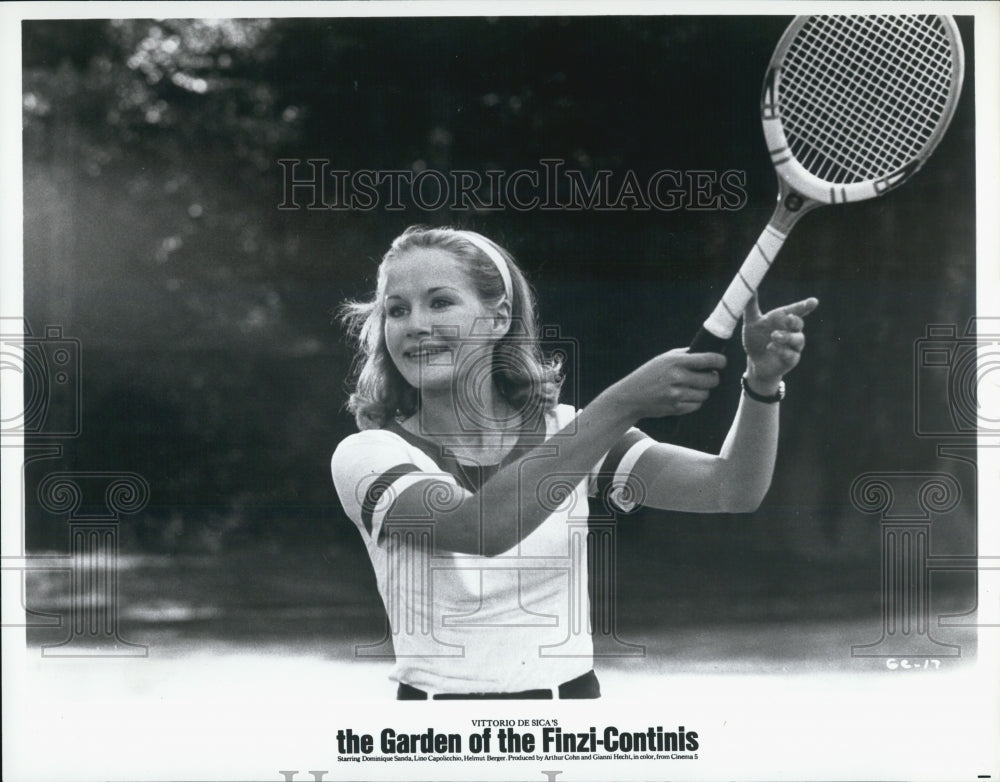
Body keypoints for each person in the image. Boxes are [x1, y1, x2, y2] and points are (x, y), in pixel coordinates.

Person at [331, 225, 818, 700]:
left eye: (440, 302)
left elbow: (731, 489)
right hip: (440, 733)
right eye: (397, 310)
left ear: (499, 318)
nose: (415, 324)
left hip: (573, 716)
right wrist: (622, 402)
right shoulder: (370, 454)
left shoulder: (571, 431)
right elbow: (479, 529)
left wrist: (760, 385)